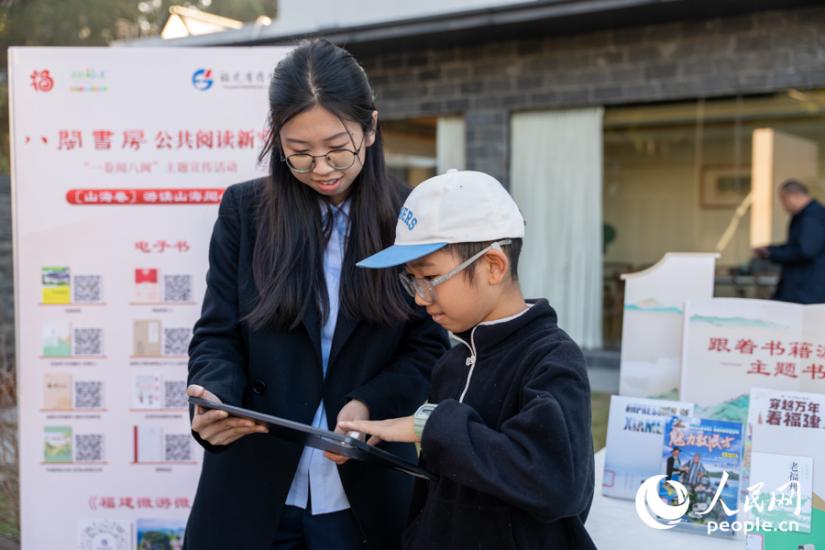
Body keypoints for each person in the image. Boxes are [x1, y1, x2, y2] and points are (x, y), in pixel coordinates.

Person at [183, 39, 449, 550]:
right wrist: (214, 397)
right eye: (300, 153)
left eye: (337, 148)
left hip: (365, 489)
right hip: (255, 484)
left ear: (370, 128)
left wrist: (370, 403)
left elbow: (427, 347)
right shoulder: (244, 212)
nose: (322, 168)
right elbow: (217, 334)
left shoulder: (411, 217)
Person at [340, 170, 597, 549]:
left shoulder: (551, 359)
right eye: (411, 280)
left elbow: (557, 484)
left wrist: (433, 425)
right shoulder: (451, 364)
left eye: (429, 278)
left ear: (493, 265)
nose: (419, 298)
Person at [754, 179, 825, 303]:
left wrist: (772, 253)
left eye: (783, 200)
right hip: (804, 288)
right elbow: (797, 246)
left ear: (793, 197)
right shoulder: (808, 215)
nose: (783, 206)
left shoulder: (812, 216)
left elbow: (805, 251)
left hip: (806, 290)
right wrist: (772, 250)